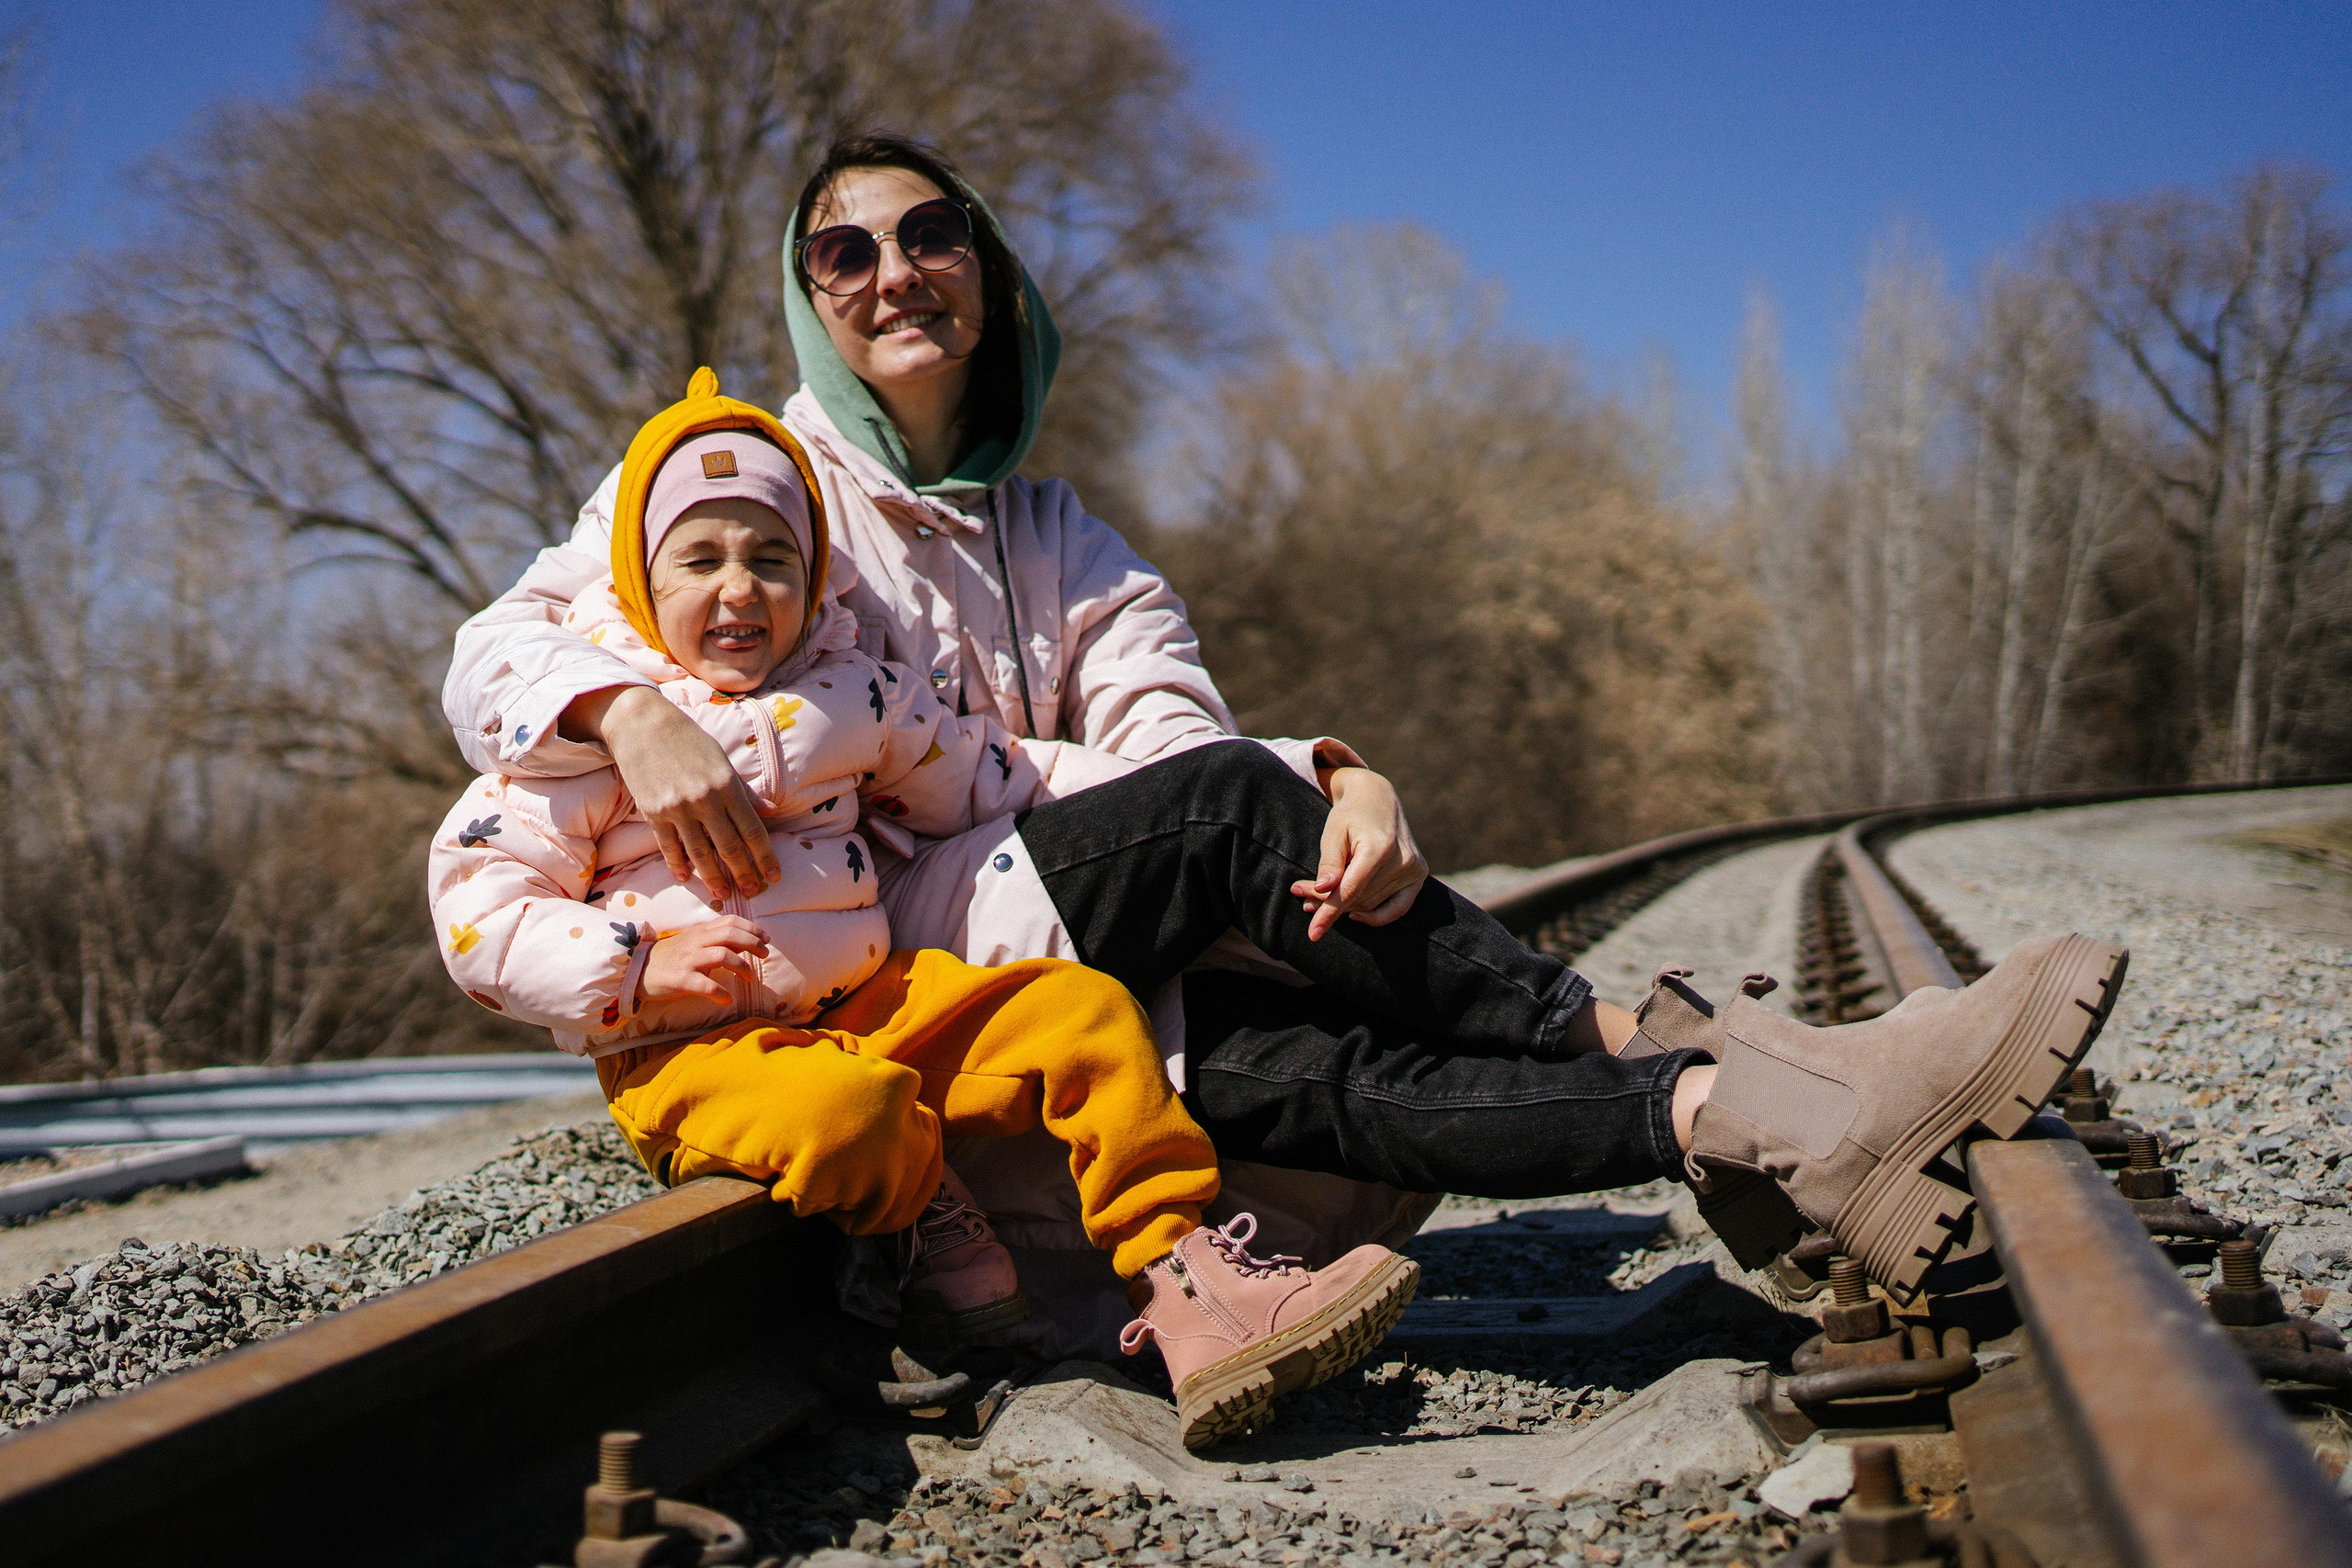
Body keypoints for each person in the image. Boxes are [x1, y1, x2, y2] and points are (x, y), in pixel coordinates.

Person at [441, 132, 2131, 1321]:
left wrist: (1329, 780)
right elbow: (503, 643)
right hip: (904, 949)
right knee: (1247, 815)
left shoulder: (1059, 537)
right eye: (845, 249)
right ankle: (1741, 1052)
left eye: (930, 232)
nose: (894, 270)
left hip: (1057, 961)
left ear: (988, 271)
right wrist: (626, 710)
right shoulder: (745, 482)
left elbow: (1171, 723)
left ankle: (1745, 1122)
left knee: (1324, 1069)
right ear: (811, 296)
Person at [429, 372, 1419, 1450]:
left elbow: (1008, 773)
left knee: (1077, 1014)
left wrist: (1270, 778)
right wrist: (628, 970)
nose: (740, 589)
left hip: (868, 1003)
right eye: (699, 561)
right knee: (846, 1115)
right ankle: (910, 1260)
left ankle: (1186, 1275)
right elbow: (480, 909)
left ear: (812, 584)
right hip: (687, 1048)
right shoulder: (579, 741)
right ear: (638, 579)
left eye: (772, 561)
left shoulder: (848, 697)